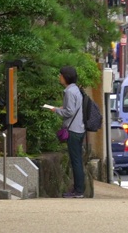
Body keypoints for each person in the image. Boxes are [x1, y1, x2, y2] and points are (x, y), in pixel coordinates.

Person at [51, 66, 85, 198]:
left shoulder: (69, 92)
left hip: (73, 130)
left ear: (66, 77)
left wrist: (56, 110)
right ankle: (79, 189)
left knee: (75, 160)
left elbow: (69, 111)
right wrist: (62, 108)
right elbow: (73, 108)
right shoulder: (75, 89)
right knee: (78, 160)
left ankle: (79, 190)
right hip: (79, 128)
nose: (59, 77)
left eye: (61, 75)